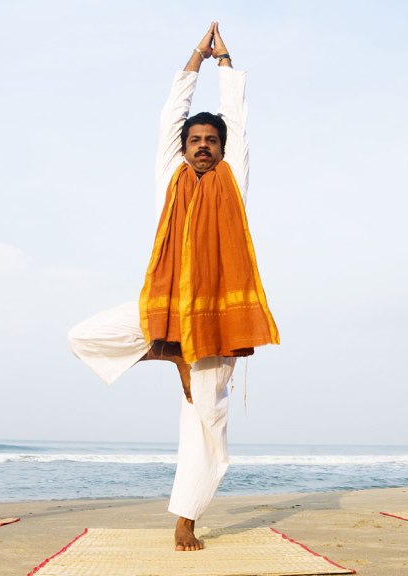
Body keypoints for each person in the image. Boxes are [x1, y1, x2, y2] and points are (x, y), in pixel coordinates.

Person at [68, 22, 279, 551]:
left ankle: (186, 517)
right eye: (195, 141)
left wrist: (227, 65)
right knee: (84, 336)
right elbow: (169, 118)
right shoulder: (171, 176)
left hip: (216, 320)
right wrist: (195, 60)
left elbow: (241, 123)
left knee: (206, 420)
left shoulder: (235, 180)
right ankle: (170, 352)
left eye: (211, 141)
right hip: (163, 309)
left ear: (222, 149)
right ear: (183, 148)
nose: (202, 147)